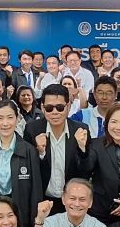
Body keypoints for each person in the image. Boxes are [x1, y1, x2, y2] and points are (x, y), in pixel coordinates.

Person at [0, 100, 44, 227]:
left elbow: (36, 190)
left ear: (17, 119)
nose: (5, 123)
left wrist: (34, 224)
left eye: (10, 117)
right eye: (0, 118)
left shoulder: (29, 150)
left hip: (19, 210)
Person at [25, 84, 89, 212]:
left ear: (68, 106)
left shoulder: (80, 129)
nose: (55, 112)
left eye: (60, 108)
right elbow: (27, 169)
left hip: (72, 202)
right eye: (49, 108)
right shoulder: (32, 130)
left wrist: (82, 150)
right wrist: (40, 153)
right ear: (42, 108)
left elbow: (87, 170)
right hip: (43, 200)